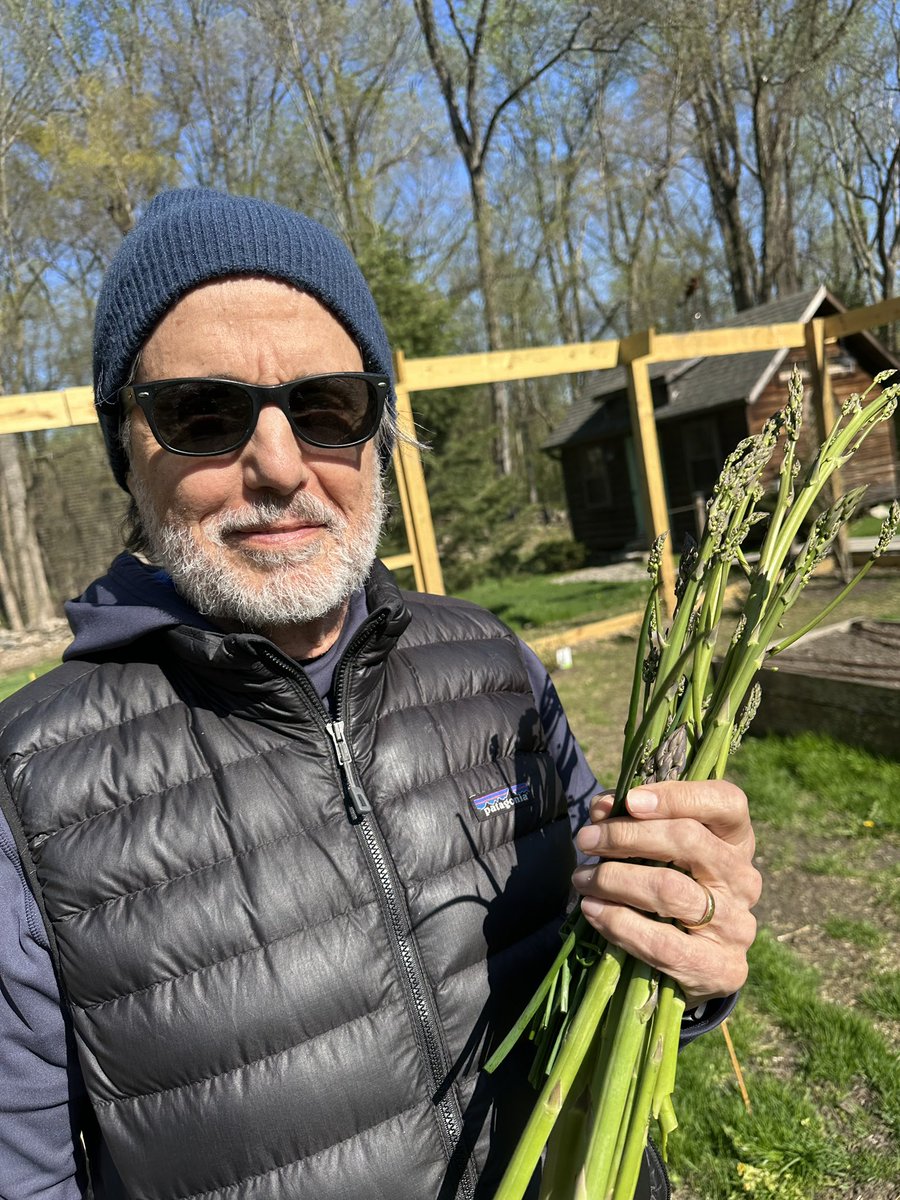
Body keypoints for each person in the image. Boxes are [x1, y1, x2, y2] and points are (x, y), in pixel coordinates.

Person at [0, 189, 761, 1200]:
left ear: (377, 429)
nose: (277, 465)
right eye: (202, 415)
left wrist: (688, 949)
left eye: (325, 406)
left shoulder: (495, 668)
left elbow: (612, 963)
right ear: (126, 447)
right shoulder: (27, 791)